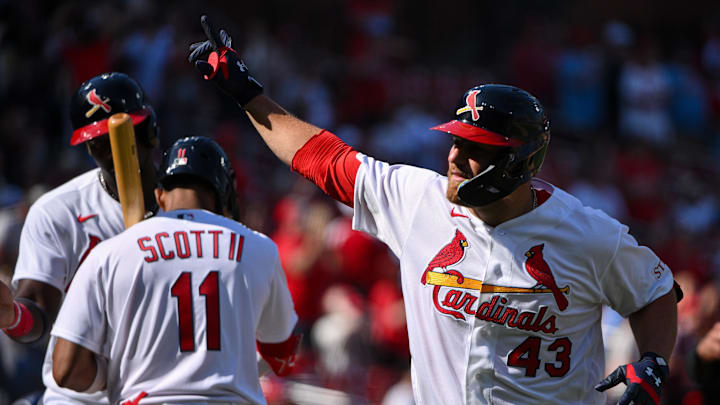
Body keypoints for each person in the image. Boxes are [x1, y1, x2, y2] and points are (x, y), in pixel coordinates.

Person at [188, 16, 681, 405]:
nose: (454, 157)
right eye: (455, 141)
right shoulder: (416, 200)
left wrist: (654, 362)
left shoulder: (588, 234)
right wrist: (247, 93)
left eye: (476, 148)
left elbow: (655, 293)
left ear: (519, 162)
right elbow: (322, 158)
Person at [50, 136, 300, 405]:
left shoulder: (110, 253)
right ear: (222, 193)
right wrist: (233, 365)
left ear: (159, 195)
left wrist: (112, 375)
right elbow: (283, 356)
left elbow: (66, 369)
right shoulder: (259, 247)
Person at [0, 72, 161, 405]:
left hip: (165, 389)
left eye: (126, 133)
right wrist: (12, 315)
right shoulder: (58, 210)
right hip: (81, 395)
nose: (114, 150)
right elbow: (39, 307)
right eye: (99, 141)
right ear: (88, 147)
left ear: (152, 132)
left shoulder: (192, 209)